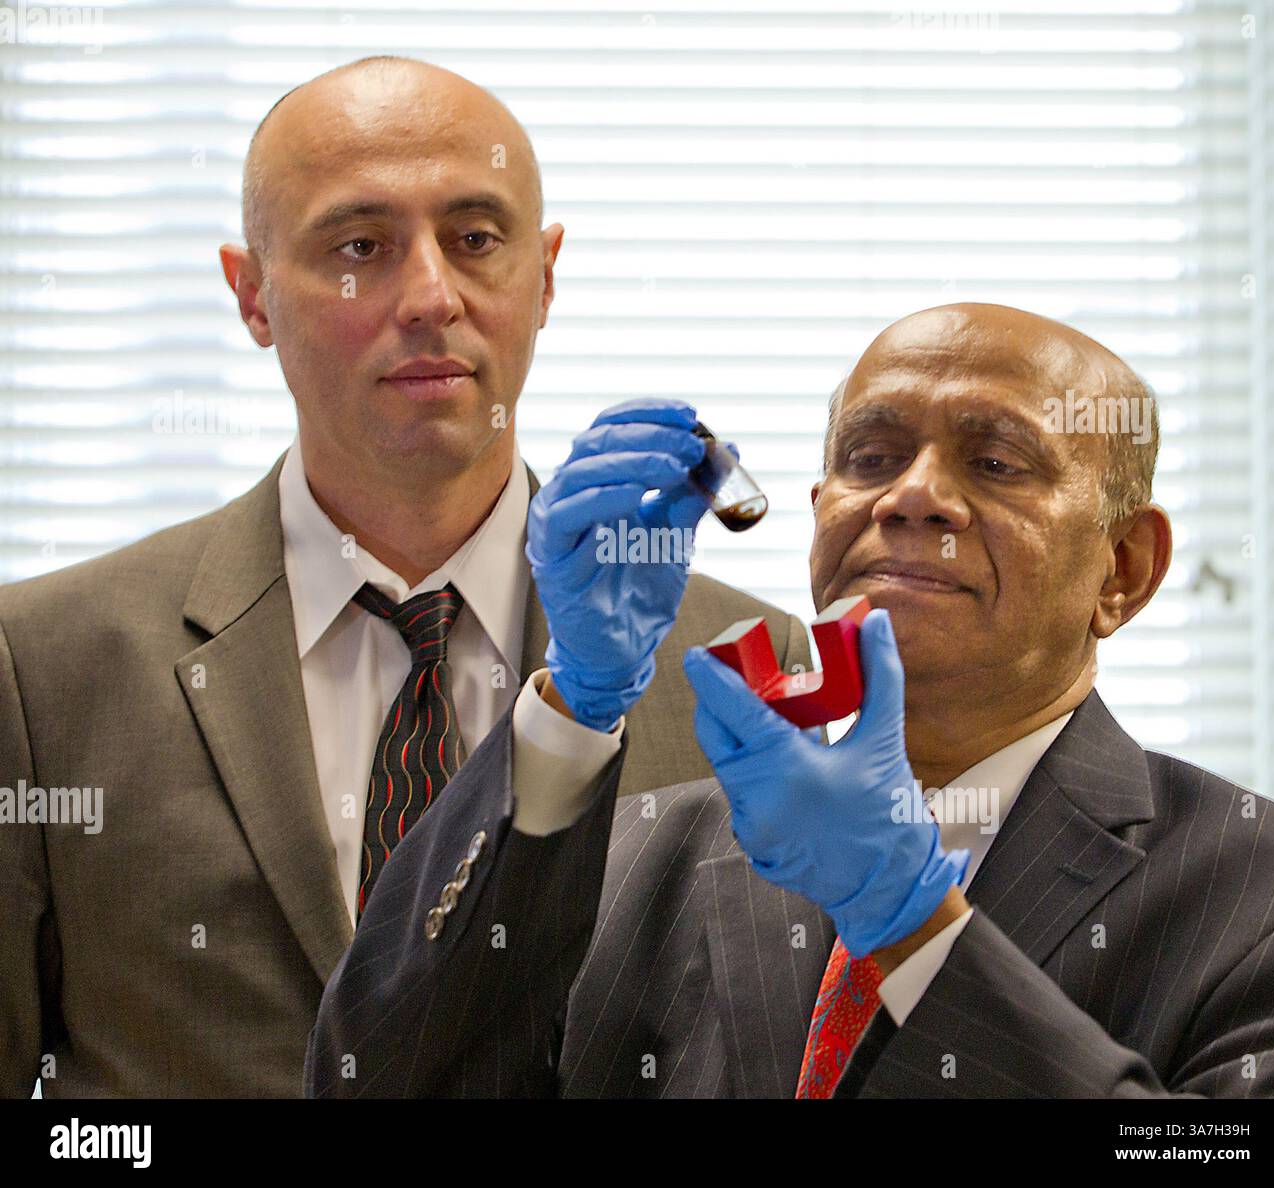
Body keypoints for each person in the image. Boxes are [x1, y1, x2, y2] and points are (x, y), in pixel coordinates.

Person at [0, 56, 808, 1098]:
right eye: (359, 247)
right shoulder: (41, 666)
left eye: (476, 240)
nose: (431, 296)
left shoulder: (746, 666)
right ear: (249, 294)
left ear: (546, 276)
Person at [306, 303, 1274, 1099]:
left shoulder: (1266, 892)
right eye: (869, 458)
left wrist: (910, 928)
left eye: (994, 462)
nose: (912, 497)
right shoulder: (636, 856)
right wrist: (574, 700)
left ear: (1122, 569)